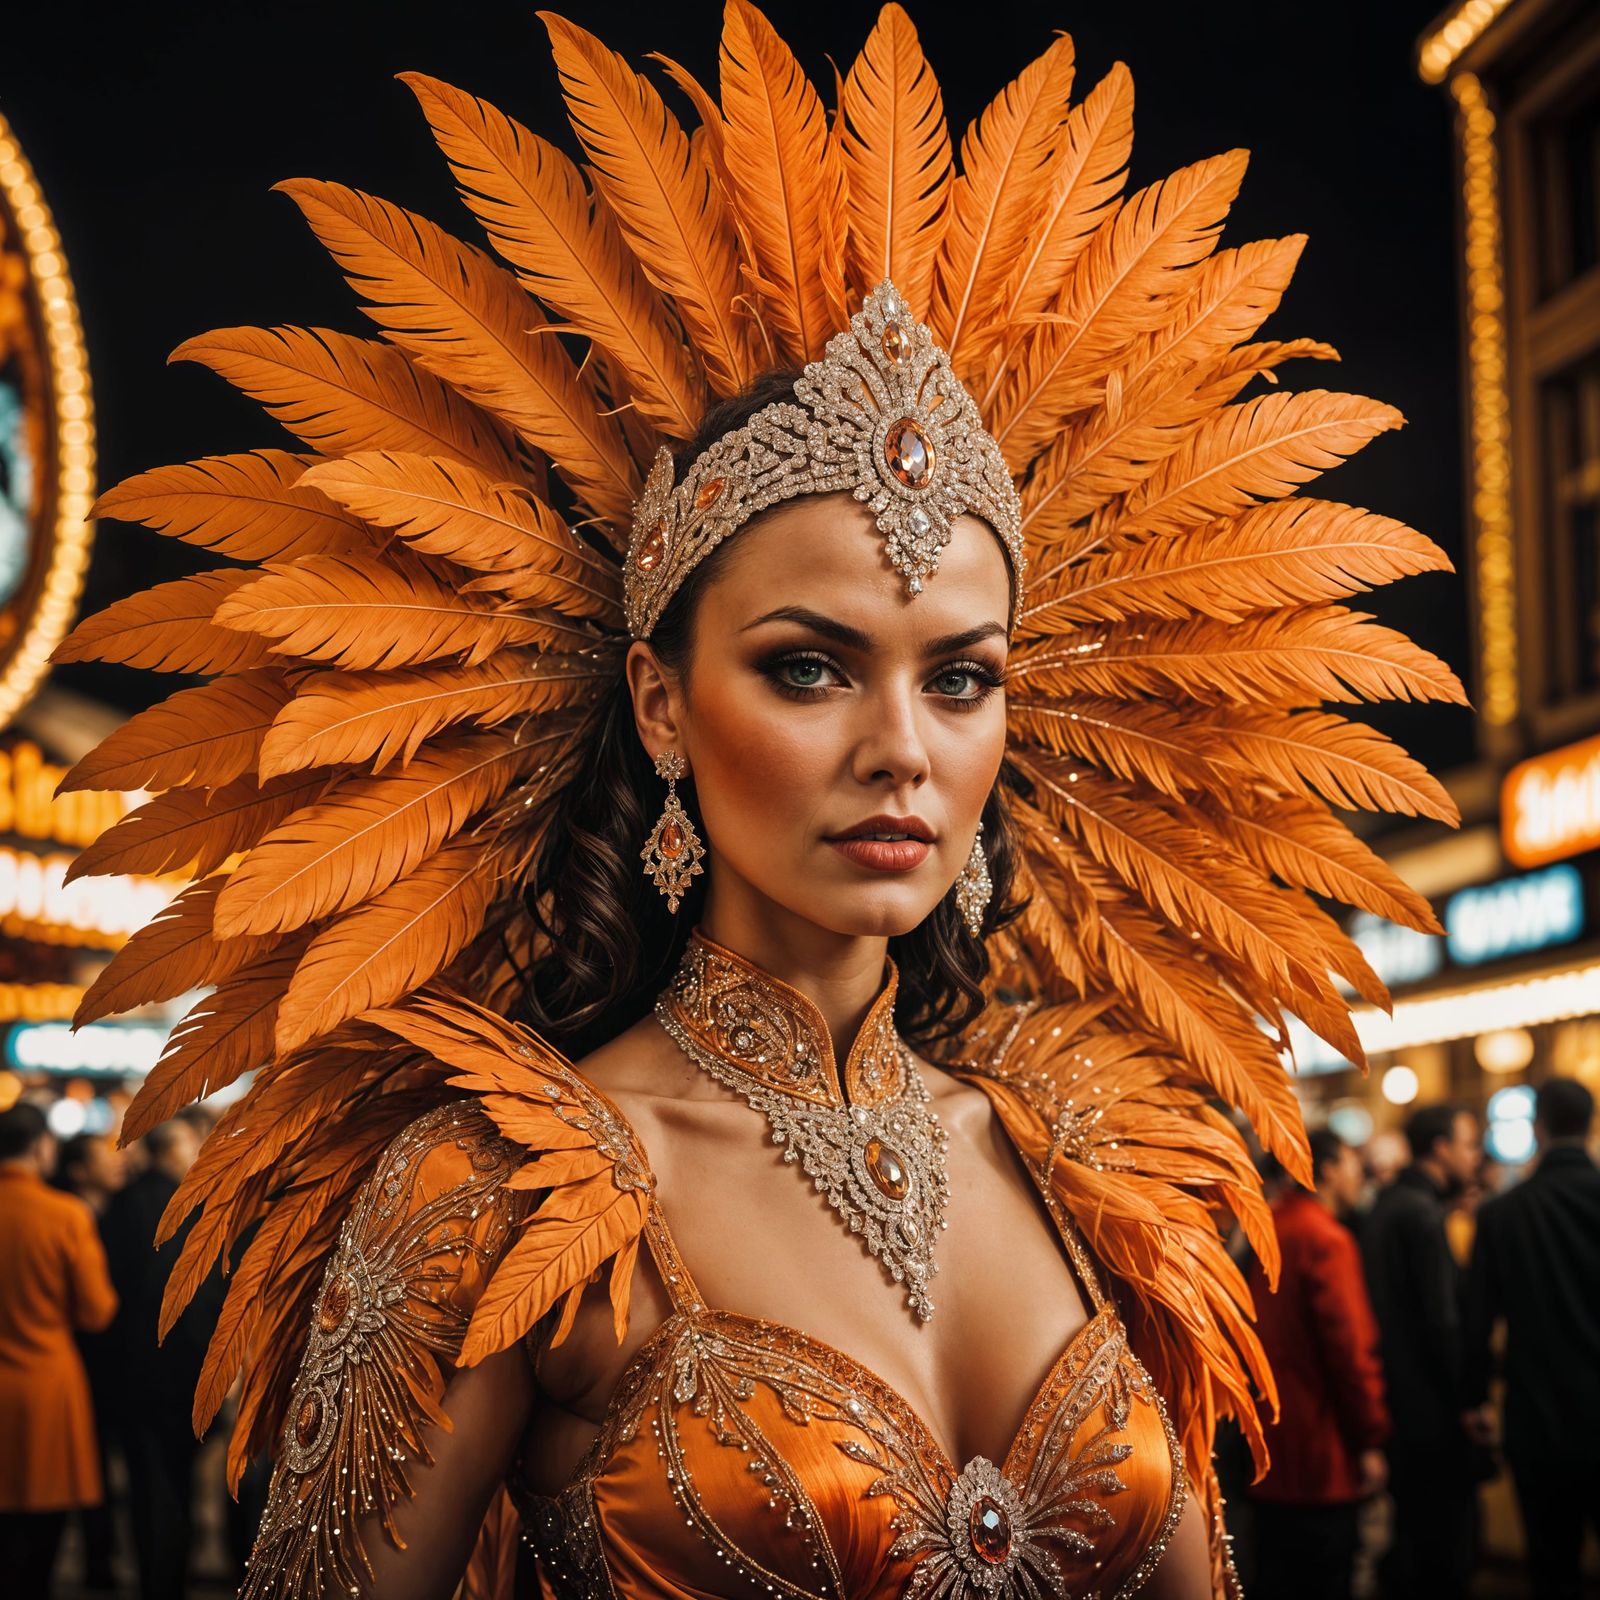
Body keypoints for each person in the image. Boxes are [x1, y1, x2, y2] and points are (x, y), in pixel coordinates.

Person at [49, 4, 1459, 1593]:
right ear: (662, 700)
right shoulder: (496, 1190)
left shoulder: (1097, 1165)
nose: (900, 749)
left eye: (960, 677)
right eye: (808, 668)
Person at [1463, 1078, 1600, 1600]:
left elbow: (1477, 1319)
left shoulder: (1502, 1214)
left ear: (1537, 1127)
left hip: (1537, 1419)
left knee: (1551, 1566)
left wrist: (1474, 1398)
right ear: (1588, 1125)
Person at [1246, 1130, 1389, 1599]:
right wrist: (1370, 1436)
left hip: (1270, 1447)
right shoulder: (1327, 1238)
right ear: (1325, 1169)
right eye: (1351, 1162)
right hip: (1323, 1455)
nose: (1358, 1174)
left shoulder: (1269, 1227)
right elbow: (1351, 1351)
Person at [1361, 1101, 1484, 1599]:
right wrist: (1468, 1400)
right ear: (1441, 1148)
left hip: (1396, 1404)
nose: (1476, 1156)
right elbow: (1443, 1321)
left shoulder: (1385, 1206)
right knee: (1446, 1552)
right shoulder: (1422, 1214)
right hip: (1434, 1413)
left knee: (1410, 1542)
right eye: (1470, 1143)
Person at [101, 1114, 225, 1600]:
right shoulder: (192, 1210)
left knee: (146, 1484)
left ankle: (156, 1576)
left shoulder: (120, 1206)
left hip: (131, 1377)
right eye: (191, 1148)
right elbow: (207, 1299)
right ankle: (173, 1577)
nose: (197, 1157)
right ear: (168, 1151)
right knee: (178, 1482)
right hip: (182, 1376)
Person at [0, 1102, 118, 1600]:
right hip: (47, 1388)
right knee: (42, 1539)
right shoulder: (65, 1215)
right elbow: (97, 1311)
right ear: (42, 1147)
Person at [53, 1132, 127, 1591]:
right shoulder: (72, 1216)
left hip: (95, 1364)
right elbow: (98, 1308)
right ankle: (94, 1561)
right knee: (82, 1467)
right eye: (105, 1158)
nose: (118, 1163)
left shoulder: (116, 1211)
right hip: (75, 1363)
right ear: (79, 1169)